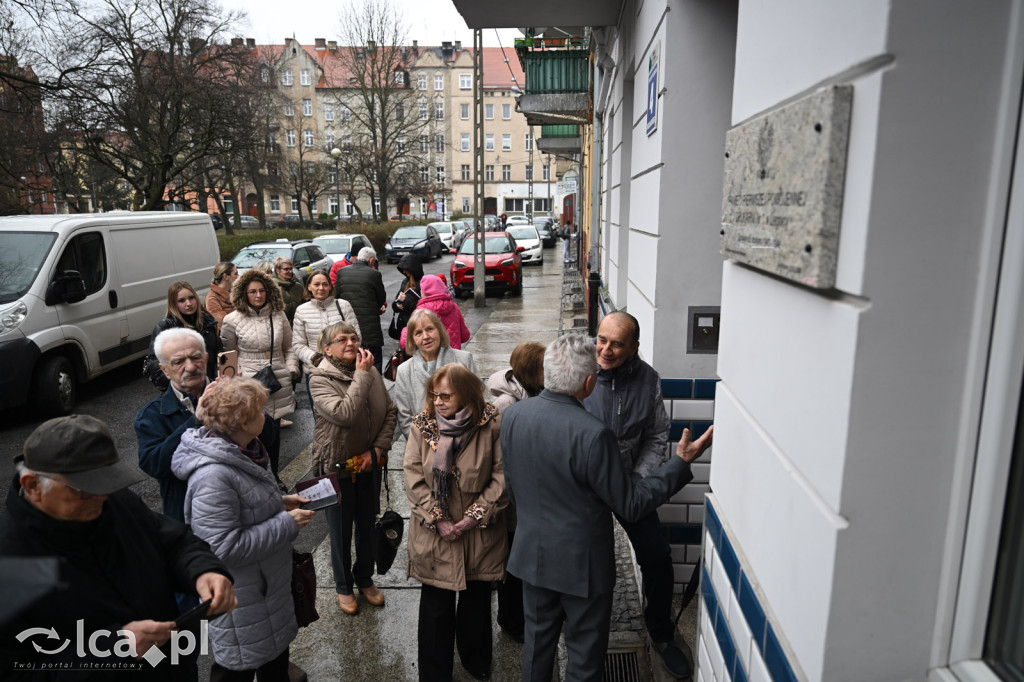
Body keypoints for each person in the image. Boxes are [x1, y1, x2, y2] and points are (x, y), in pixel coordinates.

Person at [499, 334, 714, 682]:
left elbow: (513, 484)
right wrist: (679, 464)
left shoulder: (514, 416)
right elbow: (630, 504)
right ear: (588, 382)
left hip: (532, 556)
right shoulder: (593, 434)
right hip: (582, 568)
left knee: (537, 651)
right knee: (584, 661)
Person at [0, 415, 237, 679]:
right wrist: (110, 650)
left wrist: (204, 571)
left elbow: (172, 542)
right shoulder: (9, 560)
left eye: (107, 483)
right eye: (85, 490)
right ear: (32, 486)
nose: (101, 497)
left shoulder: (112, 501)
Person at [172, 378, 314, 681]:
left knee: (273, 663)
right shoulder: (213, 476)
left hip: (264, 591)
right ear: (243, 421)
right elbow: (223, 548)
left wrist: (281, 501)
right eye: (261, 410)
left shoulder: (247, 449)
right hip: (244, 599)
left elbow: (248, 502)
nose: (267, 415)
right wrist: (286, 524)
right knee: (237, 668)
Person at [581, 311, 688, 676]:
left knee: (657, 557)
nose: (605, 350)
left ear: (634, 347)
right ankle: (575, 630)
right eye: (602, 339)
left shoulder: (648, 379)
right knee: (581, 560)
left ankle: (660, 631)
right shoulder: (580, 368)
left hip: (629, 482)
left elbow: (658, 434)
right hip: (585, 484)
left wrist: (641, 480)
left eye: (617, 344)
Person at [403, 363, 508, 681]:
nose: (437, 401)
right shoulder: (422, 426)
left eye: (446, 395)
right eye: (434, 394)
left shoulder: (491, 424)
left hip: (480, 536)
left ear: (465, 394)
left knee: (476, 605)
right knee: (435, 609)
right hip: (435, 537)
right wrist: (440, 519)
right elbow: (412, 477)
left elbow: (502, 477)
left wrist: (474, 517)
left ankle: (476, 663)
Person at [135, 328, 280, 523]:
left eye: (195, 358)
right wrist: (196, 420)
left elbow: (270, 439)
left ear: (206, 358)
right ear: (164, 370)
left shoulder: (233, 396)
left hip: (250, 512)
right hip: (191, 523)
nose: (190, 367)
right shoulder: (152, 415)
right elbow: (154, 465)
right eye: (178, 362)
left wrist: (244, 397)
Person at [309, 322, 397, 615]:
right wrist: (361, 376)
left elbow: (390, 411)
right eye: (341, 339)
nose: (350, 342)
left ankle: (364, 577)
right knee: (341, 531)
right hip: (336, 468)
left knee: (367, 527)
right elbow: (344, 414)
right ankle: (343, 585)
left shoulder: (369, 371)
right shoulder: (319, 379)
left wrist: (377, 451)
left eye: (353, 337)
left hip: (368, 465)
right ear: (327, 348)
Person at [485, 340, 546, 642]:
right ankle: (511, 621)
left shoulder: (532, 394)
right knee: (513, 562)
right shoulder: (506, 405)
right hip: (511, 499)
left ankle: (518, 616)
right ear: (532, 371)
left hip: (525, 495)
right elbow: (496, 453)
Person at [221, 268, 300, 464]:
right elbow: (227, 356)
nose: (258, 295)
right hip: (249, 380)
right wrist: (230, 383)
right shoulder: (231, 320)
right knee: (251, 433)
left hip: (277, 376)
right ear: (243, 294)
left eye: (262, 290)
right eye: (253, 291)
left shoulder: (279, 315)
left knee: (273, 433)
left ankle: (274, 476)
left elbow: (289, 347)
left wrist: (291, 369)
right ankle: (257, 474)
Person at [391, 309, 477, 438]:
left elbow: (476, 403)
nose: (426, 336)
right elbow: (405, 418)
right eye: (418, 333)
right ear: (412, 339)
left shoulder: (464, 360)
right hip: (423, 447)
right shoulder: (404, 371)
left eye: (430, 329)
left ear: (440, 331)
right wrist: (426, 445)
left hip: (465, 440)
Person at [292, 270, 360, 408]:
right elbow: (298, 344)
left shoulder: (343, 305)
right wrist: (317, 359)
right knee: (321, 415)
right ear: (309, 287)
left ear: (330, 287)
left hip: (345, 370)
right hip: (316, 372)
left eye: (324, 284)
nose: (321, 288)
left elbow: (356, 336)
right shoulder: (301, 310)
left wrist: (343, 355)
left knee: (350, 410)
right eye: (316, 284)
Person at [143, 281, 221, 391]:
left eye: (191, 298)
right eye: (182, 300)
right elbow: (155, 368)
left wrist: (216, 383)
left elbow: (219, 356)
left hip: (212, 388)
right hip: (183, 392)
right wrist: (182, 386)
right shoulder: (165, 327)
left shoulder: (208, 321)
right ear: (173, 304)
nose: (189, 303)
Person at [334, 247, 387, 373]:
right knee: (374, 360)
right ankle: (374, 387)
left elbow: (336, 296)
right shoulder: (374, 274)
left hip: (347, 325)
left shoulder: (341, 271)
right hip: (370, 327)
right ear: (371, 259)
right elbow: (381, 298)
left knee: (350, 360)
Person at [399, 275, 469, 351]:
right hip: (453, 357)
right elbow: (465, 336)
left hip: (430, 357)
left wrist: (405, 330)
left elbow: (404, 343)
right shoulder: (454, 307)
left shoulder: (420, 311)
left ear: (424, 292)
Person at [390, 253, 424, 343]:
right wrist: (396, 305)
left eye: (405, 269)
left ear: (413, 269)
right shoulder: (405, 281)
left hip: (415, 324)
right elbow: (396, 301)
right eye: (402, 270)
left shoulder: (423, 283)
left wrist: (405, 301)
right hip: (402, 324)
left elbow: (422, 306)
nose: (404, 272)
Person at [272, 257, 304, 325]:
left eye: (291, 268)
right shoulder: (272, 287)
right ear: (277, 270)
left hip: (297, 325)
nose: (290, 271)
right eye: (286, 269)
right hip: (279, 326)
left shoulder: (298, 286)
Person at [206, 262, 239, 326]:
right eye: (236, 274)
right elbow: (225, 321)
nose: (239, 276)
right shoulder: (212, 298)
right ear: (226, 276)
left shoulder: (236, 291)